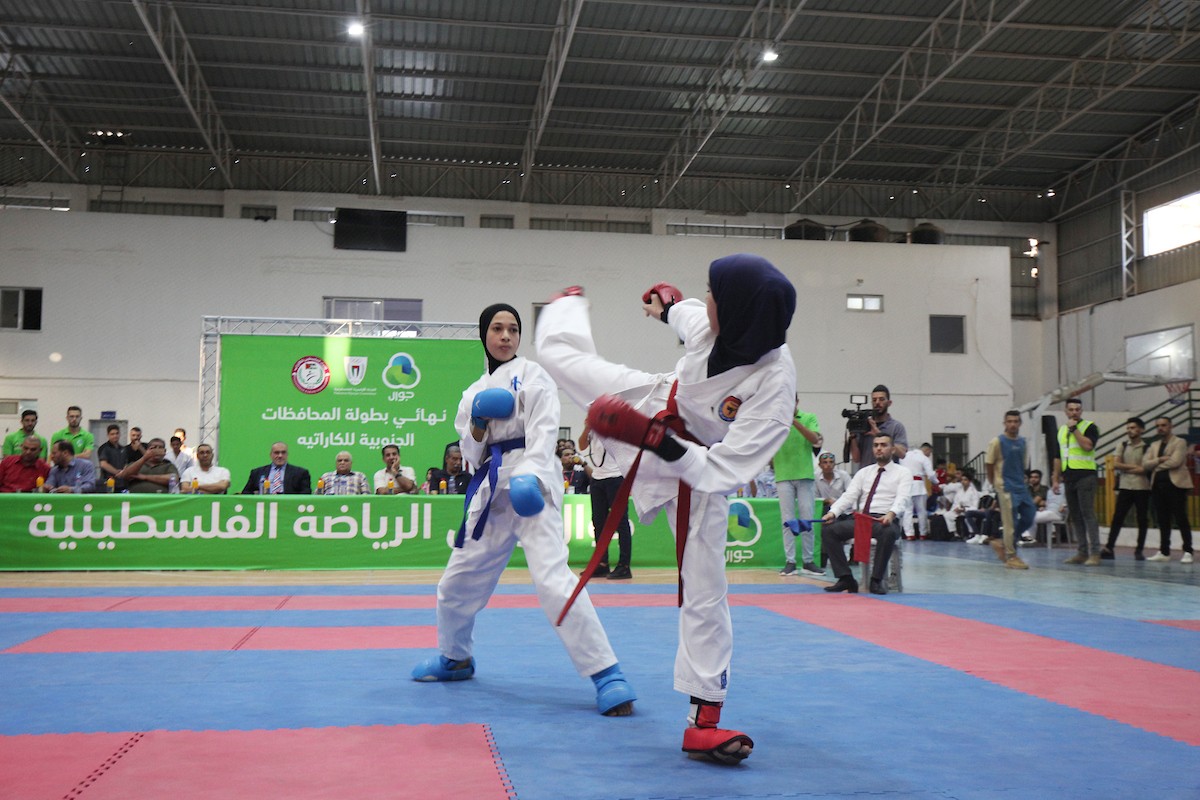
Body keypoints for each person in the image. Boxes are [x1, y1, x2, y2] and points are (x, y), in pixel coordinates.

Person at [536, 253, 797, 765]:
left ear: (739, 309)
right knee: (560, 357)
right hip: (653, 404)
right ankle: (566, 307)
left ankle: (705, 722)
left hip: (698, 468)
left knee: (705, 588)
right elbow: (688, 313)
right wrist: (668, 304)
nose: (709, 299)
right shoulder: (724, 325)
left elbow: (722, 472)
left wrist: (655, 440)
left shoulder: (775, 385)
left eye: (715, 292)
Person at [411, 302, 636, 722]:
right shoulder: (470, 393)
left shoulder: (534, 375)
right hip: (491, 488)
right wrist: (479, 420)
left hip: (530, 483)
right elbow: (470, 452)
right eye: (497, 329)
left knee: (553, 580)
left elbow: (545, 430)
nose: (505, 336)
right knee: (456, 581)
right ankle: (455, 658)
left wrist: (529, 474)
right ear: (484, 335)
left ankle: (607, 673)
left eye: (513, 329)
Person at [820, 434, 910, 594]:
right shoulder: (864, 472)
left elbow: (903, 498)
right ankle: (846, 578)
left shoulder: (903, 472)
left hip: (885, 519)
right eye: (876, 445)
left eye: (883, 445)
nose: (879, 448)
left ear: (892, 449)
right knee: (829, 531)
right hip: (862, 519)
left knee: (888, 533)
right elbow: (849, 496)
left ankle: (876, 580)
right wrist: (833, 513)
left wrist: (891, 514)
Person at [774, 397, 822, 577]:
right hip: (783, 474)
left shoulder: (809, 417)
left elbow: (815, 439)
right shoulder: (775, 419)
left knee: (807, 518)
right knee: (787, 520)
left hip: (804, 474)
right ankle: (790, 561)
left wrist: (793, 421)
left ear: (797, 401)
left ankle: (808, 561)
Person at [1052, 397, 1102, 566]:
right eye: (1071, 409)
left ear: (1081, 411)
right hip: (1069, 478)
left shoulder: (1090, 427)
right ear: (1065, 411)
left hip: (1086, 476)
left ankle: (1095, 553)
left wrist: (1075, 430)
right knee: (1075, 515)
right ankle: (1082, 552)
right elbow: (1058, 455)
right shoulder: (1061, 430)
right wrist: (1055, 477)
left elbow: (1087, 446)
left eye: (1077, 409)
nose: (1074, 412)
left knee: (1088, 514)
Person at [579, 424, 633, 580]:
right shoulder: (593, 428)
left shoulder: (617, 426)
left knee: (621, 522)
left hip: (616, 477)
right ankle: (602, 563)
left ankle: (624, 565)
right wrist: (587, 428)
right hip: (597, 478)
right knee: (598, 522)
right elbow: (582, 446)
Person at [983, 411, 1032, 569]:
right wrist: (993, 482)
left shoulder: (1023, 442)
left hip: (1020, 486)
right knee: (1010, 522)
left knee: (1029, 516)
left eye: (1016, 421)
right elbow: (989, 463)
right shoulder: (997, 442)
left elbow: (1023, 463)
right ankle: (1011, 556)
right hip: (1005, 486)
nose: (1013, 424)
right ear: (1004, 423)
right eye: (1009, 421)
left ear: (1020, 423)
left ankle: (1003, 543)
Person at [1143, 416, 1194, 563]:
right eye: (1158, 426)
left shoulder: (1180, 442)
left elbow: (1175, 462)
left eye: (1164, 425)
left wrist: (1155, 466)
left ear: (1171, 426)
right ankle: (1164, 551)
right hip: (1157, 486)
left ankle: (1188, 551)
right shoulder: (1153, 445)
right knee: (1162, 520)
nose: (1161, 428)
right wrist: (1159, 460)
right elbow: (1145, 464)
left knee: (1181, 518)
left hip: (1175, 486)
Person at [1100, 417, 1151, 560]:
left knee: (1142, 519)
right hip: (1125, 486)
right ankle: (1109, 547)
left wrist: (1126, 468)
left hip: (1142, 487)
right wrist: (1135, 467)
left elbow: (1145, 469)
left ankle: (1139, 550)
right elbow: (1116, 464)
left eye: (1133, 428)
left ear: (1141, 429)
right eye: (1128, 428)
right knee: (1118, 517)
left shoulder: (1147, 448)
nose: (1130, 431)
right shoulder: (1122, 445)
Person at [848, 385, 908, 470]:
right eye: (874, 400)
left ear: (889, 403)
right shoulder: (864, 426)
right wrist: (853, 437)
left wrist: (878, 434)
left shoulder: (896, 426)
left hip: (889, 474)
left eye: (881, 399)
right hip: (867, 474)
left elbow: (902, 454)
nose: (877, 403)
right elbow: (856, 459)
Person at [899, 439, 937, 540]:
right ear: (927, 450)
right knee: (921, 511)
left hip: (905, 485)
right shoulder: (924, 458)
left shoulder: (905, 455)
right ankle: (922, 533)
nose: (929, 455)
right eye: (930, 452)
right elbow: (930, 474)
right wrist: (936, 482)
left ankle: (909, 534)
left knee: (907, 510)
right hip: (918, 485)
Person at [241, 442, 311, 494]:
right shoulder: (257, 472)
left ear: (287, 455)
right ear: (271, 455)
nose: (280, 456)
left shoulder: (300, 473)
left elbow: (306, 493)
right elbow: (246, 492)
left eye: (283, 452)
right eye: (276, 453)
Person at [95, 424, 128, 491]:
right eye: (112, 434)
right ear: (108, 435)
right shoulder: (104, 448)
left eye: (117, 433)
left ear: (120, 434)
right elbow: (103, 464)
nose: (115, 436)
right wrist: (117, 472)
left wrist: (124, 472)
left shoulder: (123, 449)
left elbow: (126, 463)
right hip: (108, 483)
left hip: (122, 483)